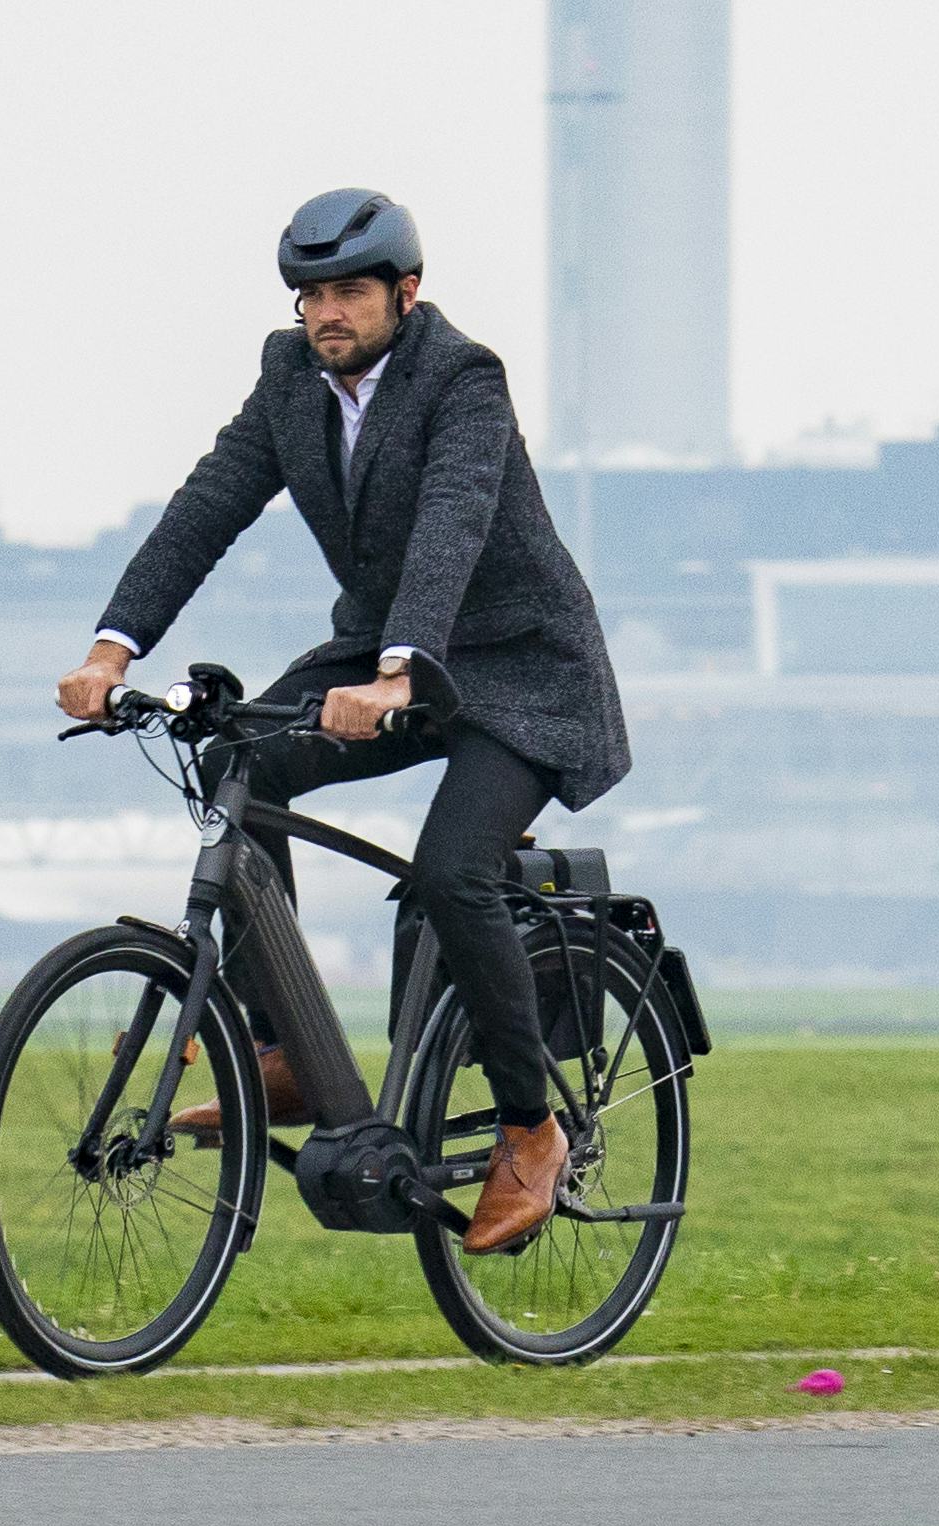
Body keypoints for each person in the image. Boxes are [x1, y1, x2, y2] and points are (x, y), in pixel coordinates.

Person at [56, 188, 631, 1253]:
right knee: (244, 761)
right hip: (385, 655)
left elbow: (451, 528)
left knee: (453, 871)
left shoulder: (462, 380)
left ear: (406, 296)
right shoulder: (289, 382)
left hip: (517, 671)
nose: (328, 311)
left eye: (351, 292)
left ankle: (530, 1128)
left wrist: (402, 670)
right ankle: (286, 1051)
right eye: (311, 294)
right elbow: (205, 507)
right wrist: (112, 647)